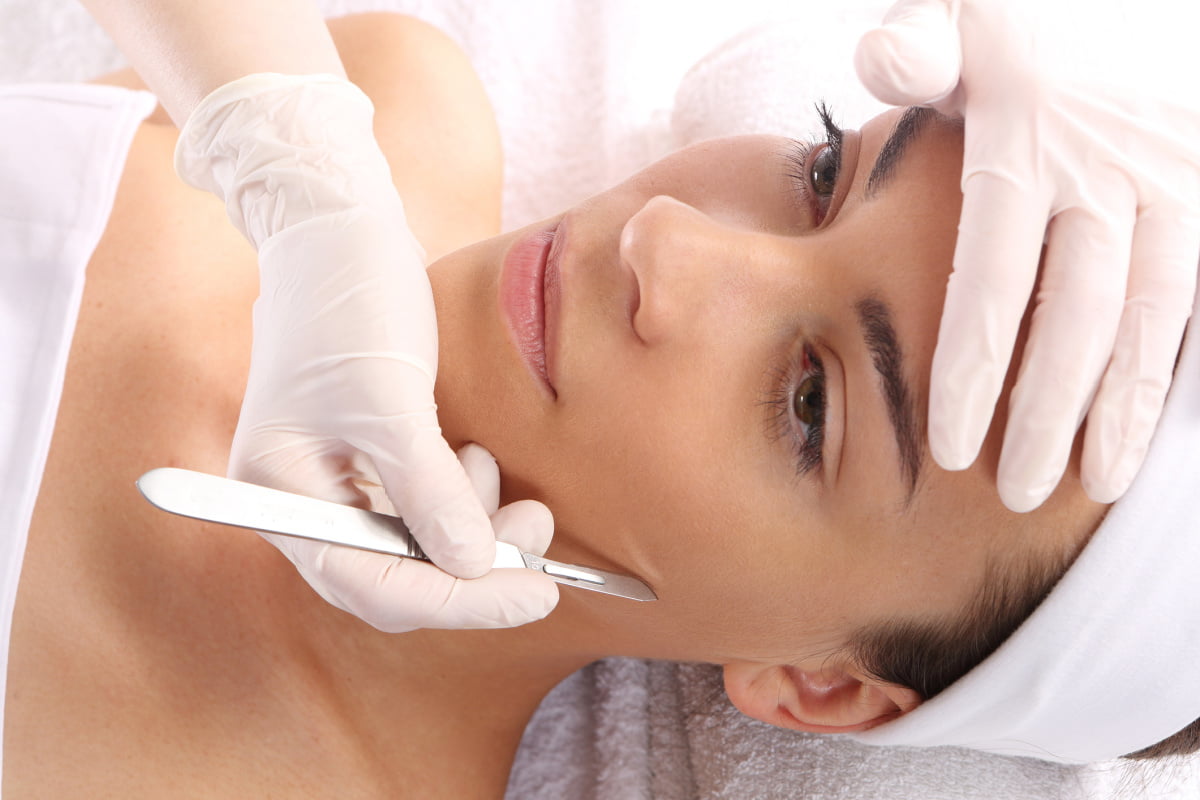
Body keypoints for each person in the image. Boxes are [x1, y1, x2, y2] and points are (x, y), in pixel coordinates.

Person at [8, 12, 1197, 796]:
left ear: (819, 686)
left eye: (811, 405)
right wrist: (288, 160)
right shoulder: (384, 100)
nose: (667, 242)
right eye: (823, 174)